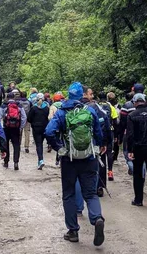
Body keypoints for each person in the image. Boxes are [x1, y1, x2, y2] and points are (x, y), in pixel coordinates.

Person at [45, 82, 106, 246]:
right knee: (91, 193)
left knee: (69, 194)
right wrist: (98, 145)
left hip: (69, 160)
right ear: (82, 95)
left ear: (68, 95)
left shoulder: (61, 112)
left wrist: (59, 147)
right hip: (89, 158)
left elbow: (49, 132)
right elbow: (99, 133)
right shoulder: (90, 111)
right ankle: (97, 218)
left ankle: (73, 231)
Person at [81, 86, 112, 197]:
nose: (92, 96)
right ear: (84, 94)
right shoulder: (95, 107)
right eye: (91, 94)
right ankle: (99, 186)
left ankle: (84, 186)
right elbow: (105, 123)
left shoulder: (72, 107)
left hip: (80, 143)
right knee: (100, 162)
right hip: (95, 141)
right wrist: (105, 142)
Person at [0, 92, 27, 170]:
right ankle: (16, 162)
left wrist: (0, 128)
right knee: (16, 145)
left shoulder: (4, 105)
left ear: (7, 97)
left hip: (6, 128)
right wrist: (20, 127)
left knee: (6, 145)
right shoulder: (19, 105)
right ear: (14, 97)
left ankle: (6, 162)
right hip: (16, 129)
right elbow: (24, 117)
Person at [98, 91, 118, 181]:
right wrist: (116, 135)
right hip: (109, 131)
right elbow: (115, 121)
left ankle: (101, 176)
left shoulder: (96, 106)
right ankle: (110, 172)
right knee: (109, 152)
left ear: (98, 98)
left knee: (101, 154)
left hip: (99, 133)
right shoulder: (110, 107)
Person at [27, 93, 50, 169]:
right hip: (44, 128)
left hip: (36, 128)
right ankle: (40, 160)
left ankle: (41, 160)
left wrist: (34, 122)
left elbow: (29, 119)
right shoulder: (46, 108)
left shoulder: (34, 108)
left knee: (38, 144)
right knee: (41, 144)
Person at [107, 92, 121, 162]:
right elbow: (116, 120)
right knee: (116, 143)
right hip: (116, 126)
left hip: (108, 127)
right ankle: (115, 157)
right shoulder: (118, 106)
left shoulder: (106, 106)